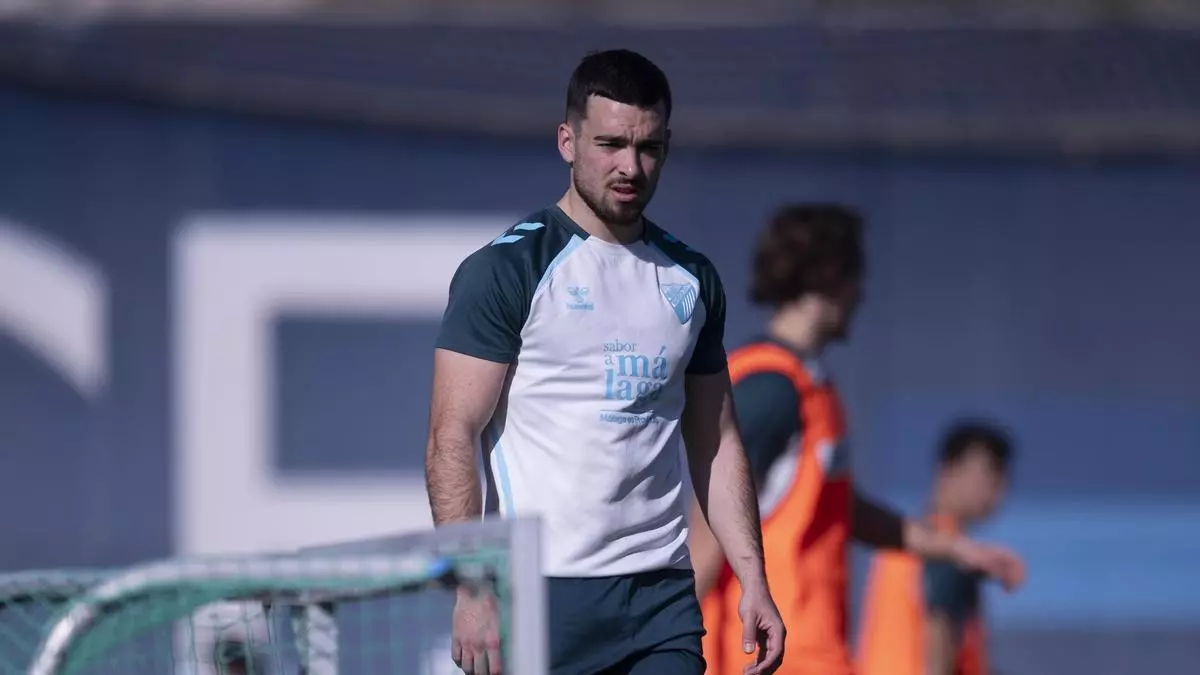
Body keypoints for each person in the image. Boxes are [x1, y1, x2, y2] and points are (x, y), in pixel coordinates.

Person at [424, 49, 785, 675]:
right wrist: (470, 588)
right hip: (540, 595)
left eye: (648, 148)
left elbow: (717, 439)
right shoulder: (507, 270)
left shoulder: (692, 278)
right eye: (610, 144)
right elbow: (450, 435)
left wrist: (754, 577)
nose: (630, 167)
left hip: (660, 599)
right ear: (567, 141)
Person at [688, 204, 1025, 675]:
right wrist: (668, 647)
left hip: (806, 657)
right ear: (831, 275)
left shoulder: (809, 387)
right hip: (769, 660)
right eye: (856, 276)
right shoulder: (772, 387)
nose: (862, 294)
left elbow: (845, 510)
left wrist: (952, 547)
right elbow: (710, 524)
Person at [857, 422, 1014, 675]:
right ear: (948, 470)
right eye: (989, 474)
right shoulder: (949, 549)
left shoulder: (902, 542)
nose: (996, 491)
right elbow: (937, 636)